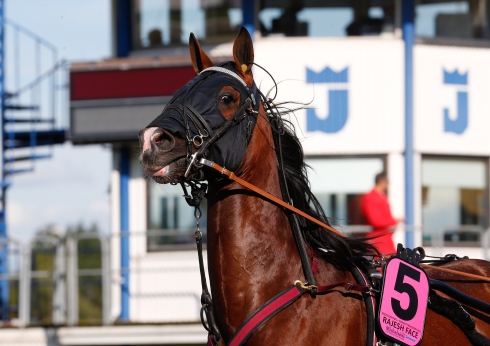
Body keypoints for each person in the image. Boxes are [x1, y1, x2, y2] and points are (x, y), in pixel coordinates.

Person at [361, 172, 403, 256]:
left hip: (386, 239)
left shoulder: (382, 197)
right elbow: (375, 221)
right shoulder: (370, 197)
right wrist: (394, 220)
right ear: (383, 182)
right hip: (378, 240)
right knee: (383, 266)